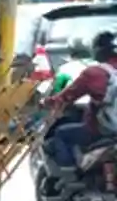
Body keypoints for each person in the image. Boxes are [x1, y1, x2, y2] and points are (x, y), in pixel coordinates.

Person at [42, 30, 117, 175]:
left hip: (104, 129)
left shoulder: (94, 73)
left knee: (61, 134)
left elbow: (66, 96)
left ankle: (69, 173)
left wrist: (45, 103)